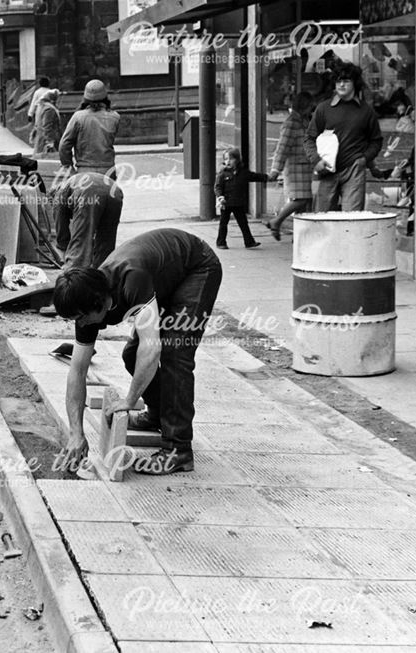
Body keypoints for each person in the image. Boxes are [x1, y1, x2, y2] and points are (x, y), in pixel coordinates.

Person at [54, 228, 223, 476]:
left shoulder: (132, 280)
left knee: (174, 353)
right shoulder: (87, 304)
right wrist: (76, 433)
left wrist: (130, 400)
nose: (80, 324)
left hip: (196, 268)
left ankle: (178, 450)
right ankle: (157, 414)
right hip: (164, 277)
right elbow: (77, 370)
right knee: (132, 355)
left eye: (81, 318)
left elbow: (152, 348)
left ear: (101, 305)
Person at [304, 61, 383, 212]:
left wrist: (364, 159)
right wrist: (316, 160)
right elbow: (309, 138)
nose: (341, 85)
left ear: (355, 83)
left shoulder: (366, 111)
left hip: (354, 169)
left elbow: (376, 140)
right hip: (326, 170)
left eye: (346, 81)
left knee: (352, 218)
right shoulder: (323, 109)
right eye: (338, 81)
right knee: (323, 218)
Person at [268, 92, 315, 240]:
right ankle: (276, 221)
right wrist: (275, 169)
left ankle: (299, 237)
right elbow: (282, 148)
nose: (311, 109)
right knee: (300, 200)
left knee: (304, 205)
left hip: (303, 168)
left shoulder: (302, 120)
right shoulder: (291, 122)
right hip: (295, 169)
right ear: (304, 106)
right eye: (310, 106)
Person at [53, 171, 123, 269]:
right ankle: (104, 272)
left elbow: (60, 221)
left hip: (88, 191)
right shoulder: (73, 183)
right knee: (107, 239)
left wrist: (62, 245)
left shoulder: (59, 192)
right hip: (115, 191)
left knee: (82, 235)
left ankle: (75, 271)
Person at [58, 79, 120, 178]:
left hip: (84, 170)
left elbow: (64, 145)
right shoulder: (115, 117)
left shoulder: (78, 117)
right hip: (108, 169)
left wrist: (68, 166)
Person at [214, 147, 271, 249]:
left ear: (237, 160)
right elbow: (218, 187)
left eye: (231, 159)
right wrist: (220, 197)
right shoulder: (222, 174)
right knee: (223, 223)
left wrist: (266, 177)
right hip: (226, 202)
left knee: (243, 223)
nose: (228, 161)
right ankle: (221, 242)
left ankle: (249, 241)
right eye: (226, 159)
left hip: (239, 203)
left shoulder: (243, 173)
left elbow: (254, 176)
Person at [32, 89, 61, 156]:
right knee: (50, 160)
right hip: (47, 140)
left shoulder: (41, 107)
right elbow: (47, 126)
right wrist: (50, 141)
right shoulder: (49, 109)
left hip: (41, 138)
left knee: (40, 159)